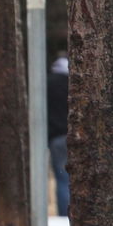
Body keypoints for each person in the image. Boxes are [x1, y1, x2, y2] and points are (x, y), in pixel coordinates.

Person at [47, 55, 70, 216]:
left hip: (55, 138)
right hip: (74, 137)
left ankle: (64, 214)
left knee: (62, 178)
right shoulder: (74, 84)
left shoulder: (47, 84)